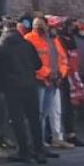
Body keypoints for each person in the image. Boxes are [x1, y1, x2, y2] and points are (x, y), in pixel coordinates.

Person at [0, 19, 48, 165]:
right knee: (34, 119)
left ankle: (24, 151)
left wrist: (0, 87)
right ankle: (39, 151)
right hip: (30, 85)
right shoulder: (27, 44)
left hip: (11, 88)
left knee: (18, 121)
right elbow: (38, 64)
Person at [24, 17, 70, 151]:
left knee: (46, 113)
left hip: (53, 81)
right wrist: (47, 73)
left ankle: (45, 140)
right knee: (37, 113)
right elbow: (30, 62)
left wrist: (61, 73)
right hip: (39, 81)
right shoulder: (29, 39)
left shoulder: (53, 40)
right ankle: (37, 142)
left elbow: (63, 59)